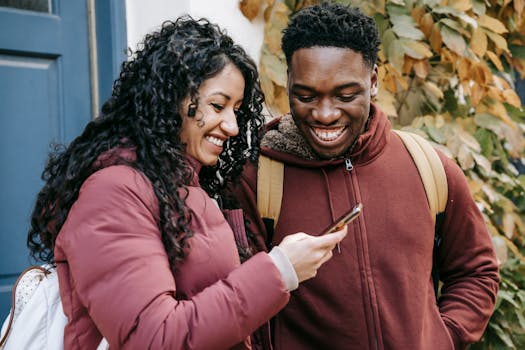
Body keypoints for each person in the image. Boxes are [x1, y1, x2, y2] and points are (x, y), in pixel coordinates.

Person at [26, 16, 347, 349]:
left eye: (236, 109)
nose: (233, 126)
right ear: (169, 99)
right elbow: (153, 338)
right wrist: (279, 271)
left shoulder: (187, 186)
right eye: (218, 106)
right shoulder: (114, 193)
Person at [228, 3, 500, 349]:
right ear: (289, 83)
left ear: (372, 82)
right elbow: (238, 309)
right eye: (307, 95)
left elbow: (476, 271)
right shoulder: (256, 179)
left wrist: (443, 338)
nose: (325, 114)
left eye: (345, 95)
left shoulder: (428, 166)